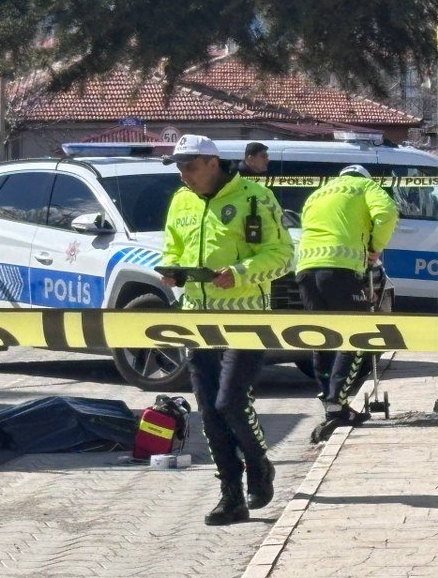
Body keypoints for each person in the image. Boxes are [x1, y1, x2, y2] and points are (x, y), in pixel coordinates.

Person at [160, 134, 293, 525]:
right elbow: (173, 247)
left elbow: (284, 255)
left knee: (229, 402)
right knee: (208, 410)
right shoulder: (180, 200)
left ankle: (259, 464)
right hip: (196, 319)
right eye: (179, 167)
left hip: (246, 318)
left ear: (212, 162)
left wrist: (239, 274)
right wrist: (171, 269)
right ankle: (231, 496)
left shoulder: (254, 197)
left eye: (190, 167)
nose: (183, 175)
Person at [296, 164, 399, 443]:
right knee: (357, 334)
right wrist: (376, 247)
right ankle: (336, 404)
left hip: (305, 268)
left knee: (323, 337)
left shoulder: (318, 193)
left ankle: (331, 401)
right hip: (340, 268)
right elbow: (388, 212)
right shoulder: (365, 187)